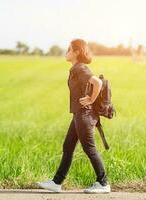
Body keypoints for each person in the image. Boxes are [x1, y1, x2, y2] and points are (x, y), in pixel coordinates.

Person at [36, 39, 110, 193]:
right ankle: (56, 183)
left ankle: (103, 183)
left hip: (85, 115)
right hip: (79, 114)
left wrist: (91, 99)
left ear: (76, 52)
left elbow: (97, 82)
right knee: (68, 146)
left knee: (89, 148)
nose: (66, 52)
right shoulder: (76, 68)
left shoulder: (80, 68)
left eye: (69, 49)